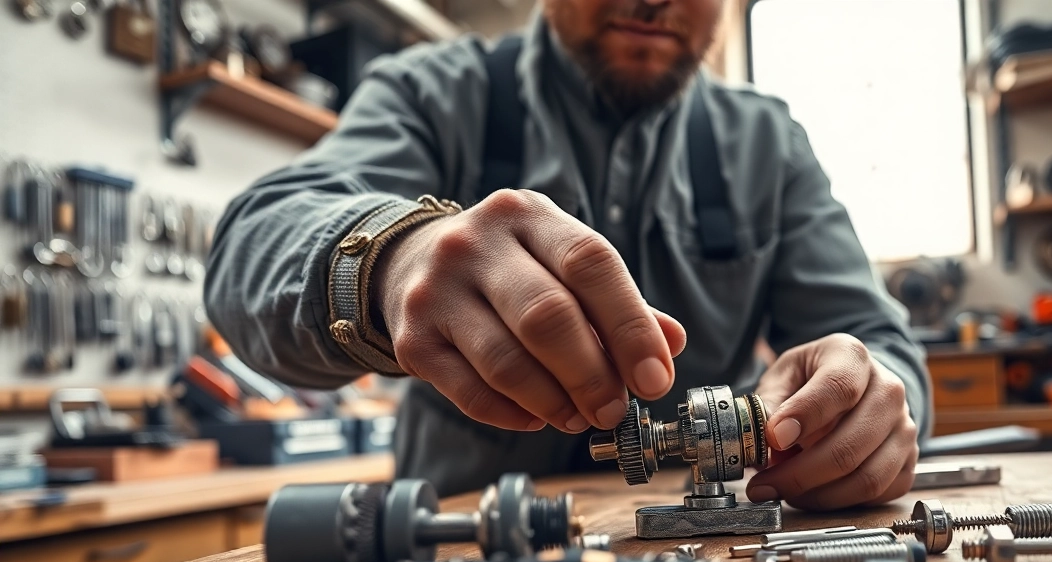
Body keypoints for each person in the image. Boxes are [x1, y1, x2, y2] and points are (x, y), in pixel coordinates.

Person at [206, 0, 930, 511]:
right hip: (459, 544)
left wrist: (869, 399)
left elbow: (879, 346)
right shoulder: (430, 92)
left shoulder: (770, 145)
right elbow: (249, 247)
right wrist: (391, 261)